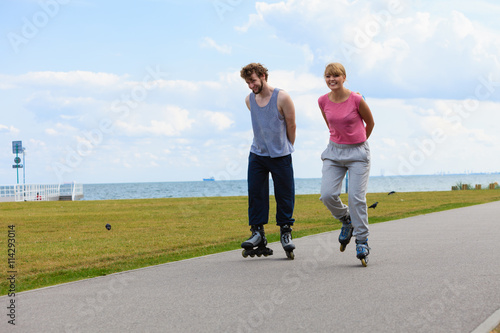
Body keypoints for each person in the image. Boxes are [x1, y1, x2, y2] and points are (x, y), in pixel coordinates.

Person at [318, 62, 375, 266]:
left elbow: (370, 123)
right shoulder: (322, 101)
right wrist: (341, 141)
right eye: (327, 76)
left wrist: (359, 143)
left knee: (356, 198)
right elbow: (331, 125)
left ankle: (362, 240)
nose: (331, 79)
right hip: (334, 152)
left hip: (358, 152)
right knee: (327, 195)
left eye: (335, 76)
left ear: (344, 77)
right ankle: (346, 220)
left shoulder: (356, 99)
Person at [239, 62, 297, 259]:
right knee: (255, 192)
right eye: (248, 83)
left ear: (263, 76)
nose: (251, 86)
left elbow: (291, 124)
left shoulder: (282, 97)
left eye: (253, 81)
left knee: (285, 194)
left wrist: (286, 146)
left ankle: (285, 231)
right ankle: (257, 233)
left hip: (280, 154)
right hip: (257, 154)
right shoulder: (249, 100)